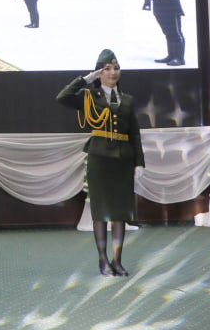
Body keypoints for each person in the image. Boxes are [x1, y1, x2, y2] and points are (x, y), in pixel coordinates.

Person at [56, 49, 145, 276]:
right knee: (101, 212)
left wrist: (139, 162)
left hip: (123, 160)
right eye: (107, 69)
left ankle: (117, 260)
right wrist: (85, 80)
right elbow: (62, 97)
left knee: (119, 213)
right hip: (99, 159)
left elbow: (134, 133)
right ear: (99, 73)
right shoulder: (89, 96)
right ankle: (103, 260)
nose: (113, 73)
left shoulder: (127, 99)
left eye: (116, 68)